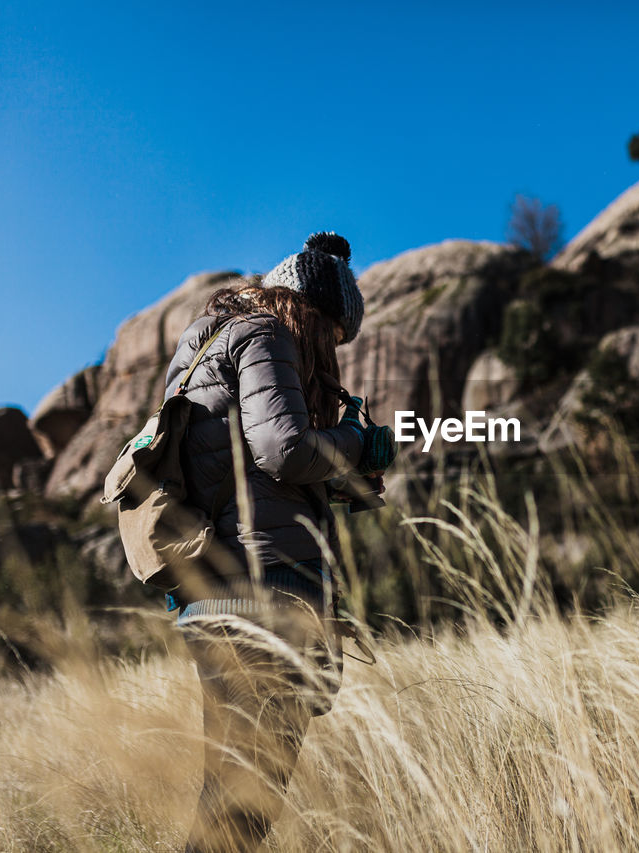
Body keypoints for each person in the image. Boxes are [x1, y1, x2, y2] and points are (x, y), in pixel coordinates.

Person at [160, 231, 391, 852]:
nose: (333, 353)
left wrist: (344, 480)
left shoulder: (206, 345)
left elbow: (239, 468)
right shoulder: (265, 335)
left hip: (213, 592)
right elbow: (283, 451)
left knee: (233, 795)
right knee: (246, 805)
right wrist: (357, 444)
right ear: (312, 316)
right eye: (335, 338)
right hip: (264, 593)